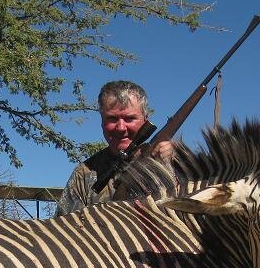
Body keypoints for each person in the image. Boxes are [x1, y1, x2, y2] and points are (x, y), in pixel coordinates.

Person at [55, 80, 174, 216]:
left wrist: (170, 163)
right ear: (101, 121)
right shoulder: (84, 174)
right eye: (112, 118)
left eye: (129, 118)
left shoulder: (169, 159)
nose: (121, 128)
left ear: (145, 121)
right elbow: (64, 227)